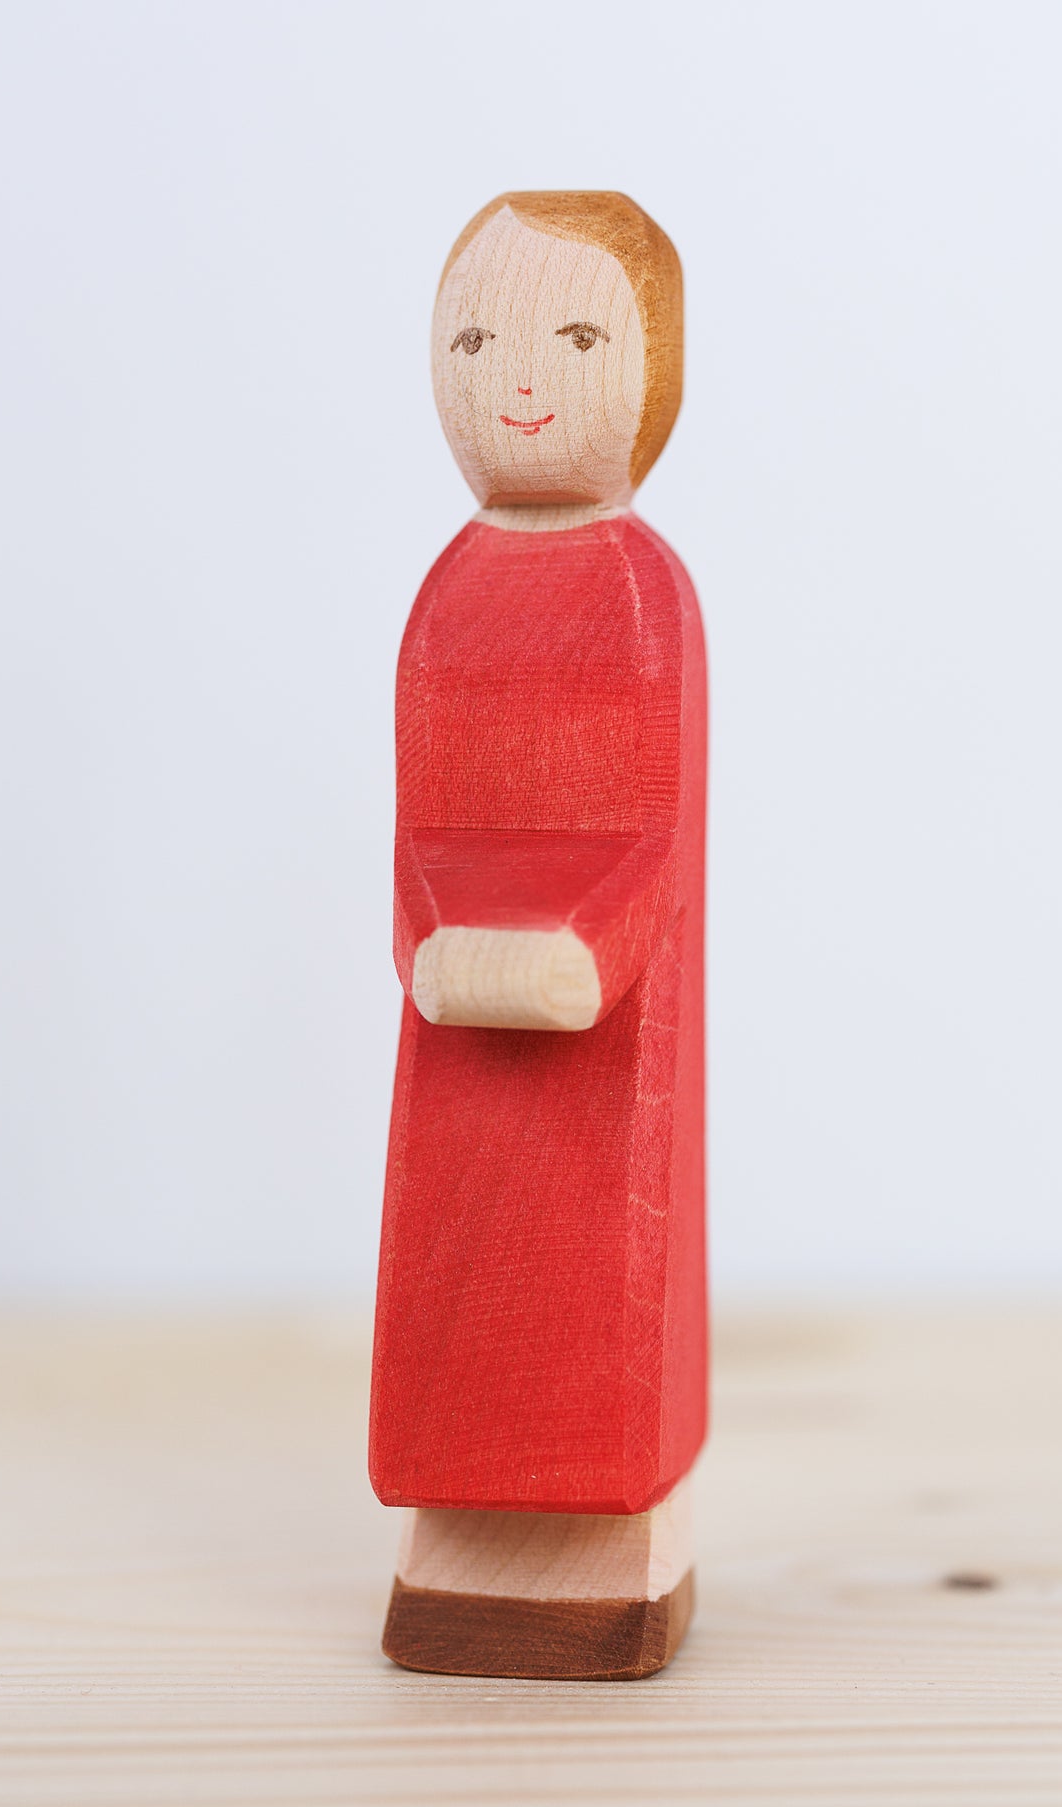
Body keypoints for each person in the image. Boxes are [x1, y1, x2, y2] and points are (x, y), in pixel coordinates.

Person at [370, 193, 706, 1680]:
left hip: (598, 1025)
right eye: (475, 343)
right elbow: (419, 820)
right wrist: (427, 939)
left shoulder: (640, 592)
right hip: (458, 1009)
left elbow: (654, 837)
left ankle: (610, 1561)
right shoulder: (448, 593)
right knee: (455, 1290)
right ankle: (456, 1545)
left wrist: (587, 948)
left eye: (574, 341)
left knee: (591, 1296)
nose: (518, 381)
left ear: (650, 373)